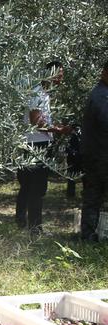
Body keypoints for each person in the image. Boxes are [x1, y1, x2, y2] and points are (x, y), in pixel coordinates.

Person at [16, 61, 72, 234]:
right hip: (35, 145)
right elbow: (36, 122)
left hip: (35, 144)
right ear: (51, 73)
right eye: (60, 74)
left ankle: (22, 222)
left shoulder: (44, 94)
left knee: (27, 185)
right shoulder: (37, 93)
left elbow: (41, 120)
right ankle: (35, 228)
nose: (61, 78)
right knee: (36, 188)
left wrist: (55, 126)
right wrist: (58, 129)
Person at [80, 60, 108, 241]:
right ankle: (89, 236)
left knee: (92, 198)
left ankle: (89, 235)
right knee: (93, 198)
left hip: (96, 155)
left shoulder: (101, 93)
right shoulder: (102, 96)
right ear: (105, 72)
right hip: (100, 157)